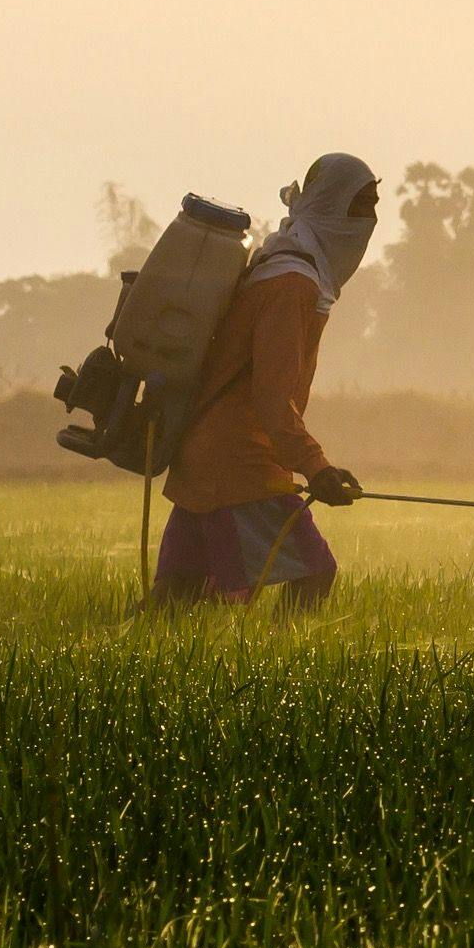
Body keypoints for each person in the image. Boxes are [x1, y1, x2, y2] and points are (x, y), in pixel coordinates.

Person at [149, 153, 375, 609]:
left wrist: (317, 468)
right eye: (362, 205)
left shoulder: (278, 263)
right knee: (314, 574)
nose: (370, 219)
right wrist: (317, 468)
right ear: (332, 207)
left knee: (175, 604)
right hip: (240, 465)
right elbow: (272, 399)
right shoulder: (292, 285)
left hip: (205, 457)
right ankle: (283, 671)